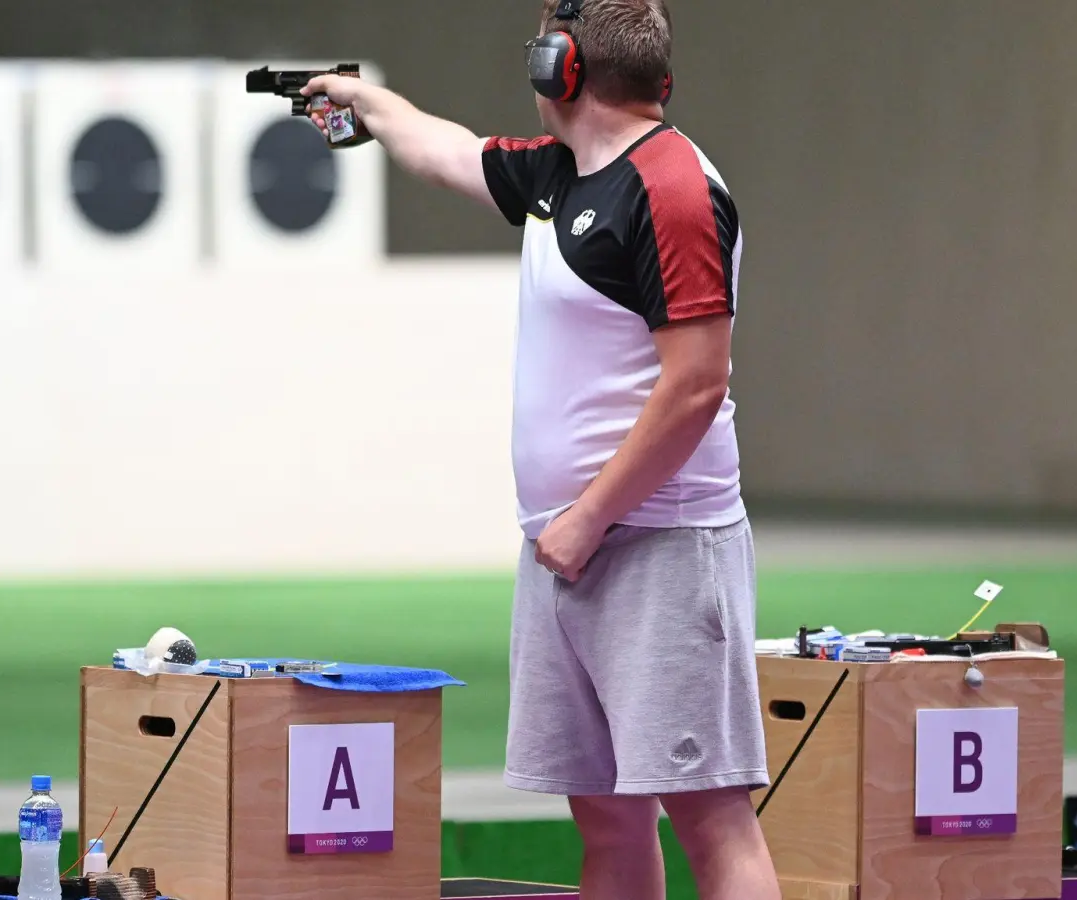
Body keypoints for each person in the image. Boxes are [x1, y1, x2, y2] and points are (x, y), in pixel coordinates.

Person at [301, 2, 780, 898]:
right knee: (605, 819)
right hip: (574, 549)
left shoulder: (672, 190)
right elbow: (444, 152)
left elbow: (696, 384)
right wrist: (364, 101)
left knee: (712, 819)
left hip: (660, 548)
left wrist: (589, 517)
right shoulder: (566, 174)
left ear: (560, 69)